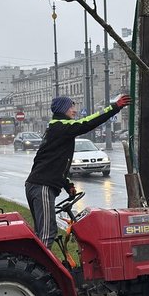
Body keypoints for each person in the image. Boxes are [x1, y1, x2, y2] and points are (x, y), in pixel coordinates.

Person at [25, 93, 131, 248]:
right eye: (71, 107)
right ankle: (40, 271)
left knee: (42, 232)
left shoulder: (56, 128)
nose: (74, 110)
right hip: (42, 187)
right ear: (63, 109)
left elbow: (51, 162)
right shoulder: (61, 126)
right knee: (47, 234)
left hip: (38, 184)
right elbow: (88, 122)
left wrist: (67, 184)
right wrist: (114, 107)